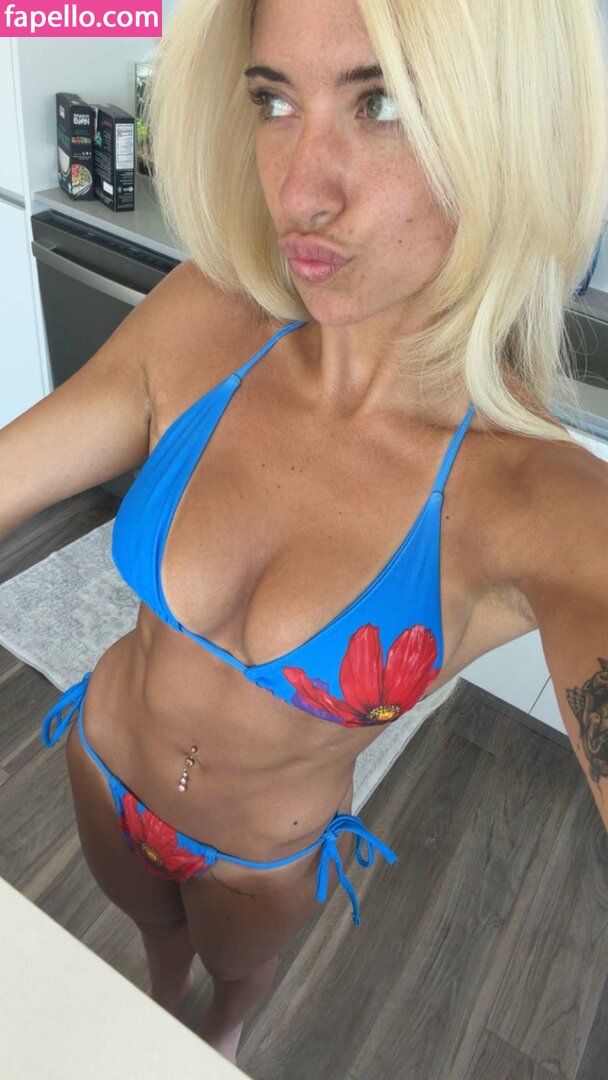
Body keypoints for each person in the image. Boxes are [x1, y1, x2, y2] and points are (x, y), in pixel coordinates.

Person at [1, 0, 607, 1068]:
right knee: (153, 947)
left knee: (234, 983)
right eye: (273, 100)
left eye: (382, 105)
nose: (297, 192)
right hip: (101, 759)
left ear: (512, 132)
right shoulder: (208, 316)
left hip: (259, 857)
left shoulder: (541, 504)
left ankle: (220, 1032)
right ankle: (162, 1004)